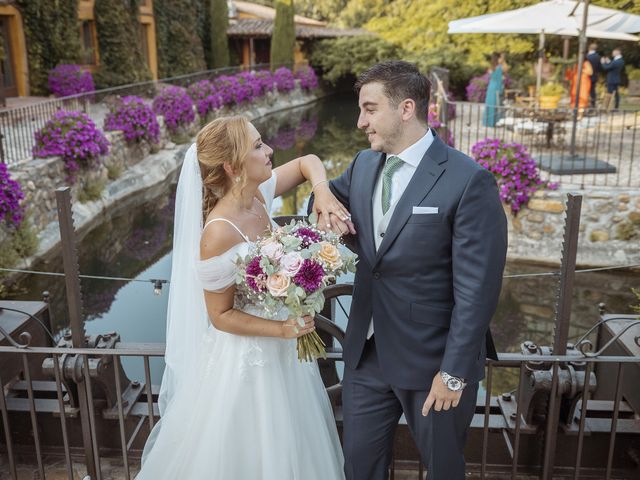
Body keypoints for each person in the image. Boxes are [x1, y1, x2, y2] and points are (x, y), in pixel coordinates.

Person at [136, 116, 348, 479]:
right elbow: (220, 315)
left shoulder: (259, 195)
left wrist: (323, 192)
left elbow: (306, 162)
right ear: (233, 167)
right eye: (258, 146)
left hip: (285, 350)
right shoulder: (218, 233)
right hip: (247, 360)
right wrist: (282, 329)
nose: (269, 151)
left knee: (295, 444)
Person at [325, 61, 507, 479]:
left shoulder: (469, 181)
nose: (360, 122)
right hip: (366, 356)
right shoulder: (363, 164)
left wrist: (454, 373)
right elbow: (327, 207)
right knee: (358, 466)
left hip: (434, 363)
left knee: (443, 468)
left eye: (370, 109)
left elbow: (477, 291)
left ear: (406, 108)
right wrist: (320, 193)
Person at [483, 52, 507, 127]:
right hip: (496, 87)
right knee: (496, 104)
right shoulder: (499, 67)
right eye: (500, 57)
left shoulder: (492, 67)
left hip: (491, 87)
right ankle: (495, 122)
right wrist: (500, 90)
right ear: (498, 58)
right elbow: (500, 79)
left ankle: (488, 122)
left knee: (490, 104)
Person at [586, 43, 601, 108]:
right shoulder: (598, 56)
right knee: (592, 91)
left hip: (586, 76)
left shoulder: (587, 56)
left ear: (589, 48)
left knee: (586, 90)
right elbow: (599, 67)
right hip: (594, 76)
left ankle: (586, 103)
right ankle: (593, 104)